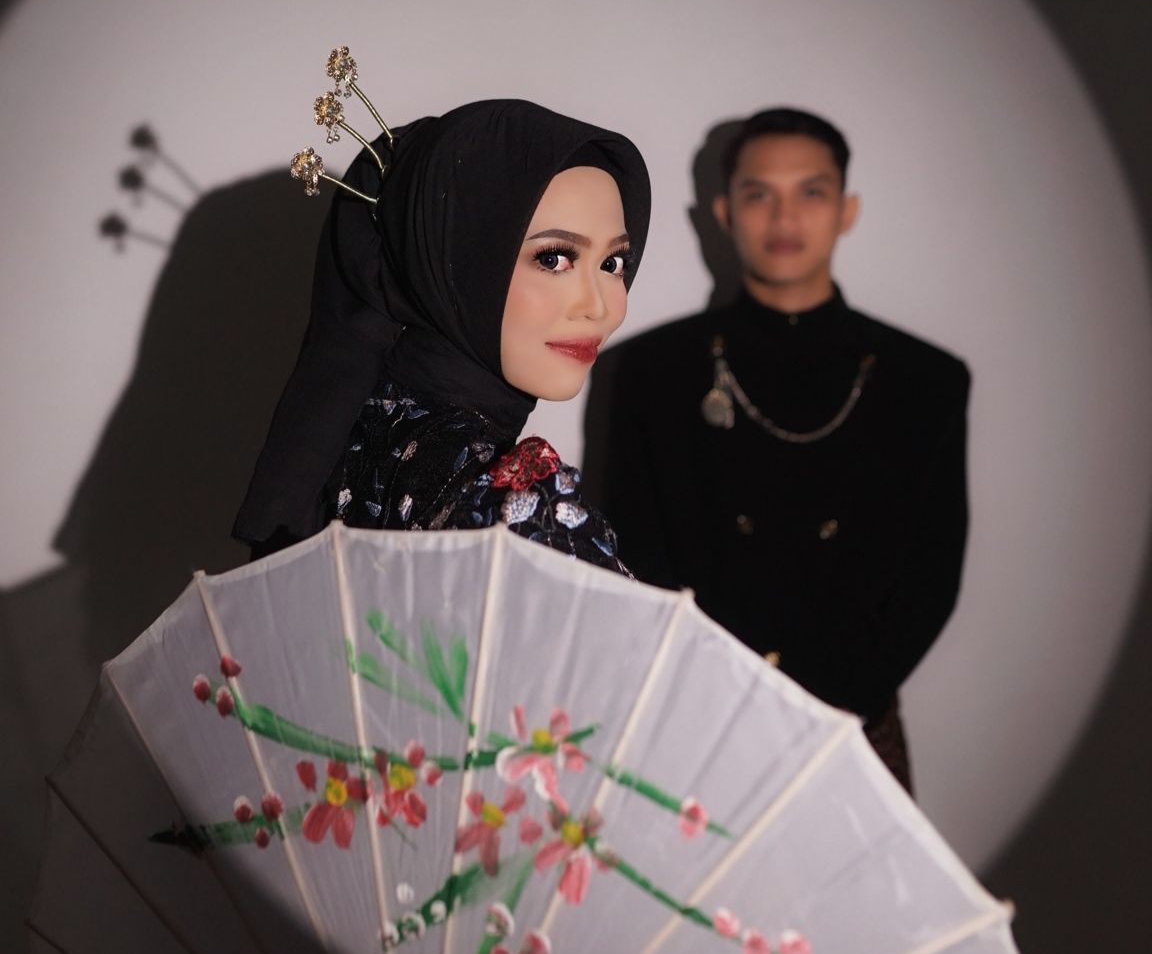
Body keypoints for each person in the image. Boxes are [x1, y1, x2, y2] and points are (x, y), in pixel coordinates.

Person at [587, 108, 970, 792]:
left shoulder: (927, 381)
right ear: (725, 212)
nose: (785, 216)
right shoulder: (648, 371)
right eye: (759, 193)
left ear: (847, 210)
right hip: (699, 721)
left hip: (851, 725)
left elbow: (931, 575)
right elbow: (633, 554)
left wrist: (839, 704)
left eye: (810, 192)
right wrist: (714, 698)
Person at [234, 95, 650, 575]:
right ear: (453, 261)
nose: (598, 306)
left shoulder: (341, 451)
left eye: (612, 263)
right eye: (553, 258)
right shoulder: (522, 519)